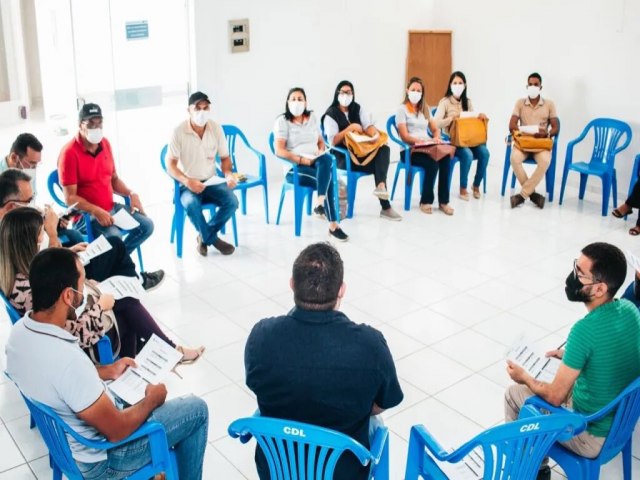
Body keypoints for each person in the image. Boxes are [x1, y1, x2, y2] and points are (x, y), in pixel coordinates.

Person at [5, 247, 209, 479]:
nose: (84, 293)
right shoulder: (68, 360)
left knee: (135, 390)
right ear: (68, 296)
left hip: (66, 445)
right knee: (196, 409)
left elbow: (59, 380)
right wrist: (152, 400)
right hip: (102, 463)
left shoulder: (19, 333)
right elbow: (117, 431)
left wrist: (107, 370)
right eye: (82, 284)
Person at [245, 242, 403, 479]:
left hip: (275, 468)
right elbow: (383, 403)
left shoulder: (261, 337)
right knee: (378, 424)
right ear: (342, 290)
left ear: (291, 284)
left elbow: (257, 386)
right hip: (343, 471)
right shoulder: (370, 345)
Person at [504, 242, 640, 480]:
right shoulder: (630, 310)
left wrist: (524, 376)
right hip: (620, 423)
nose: (572, 277)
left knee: (515, 395)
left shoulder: (584, 331)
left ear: (599, 289)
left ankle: (531, 471)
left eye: (580, 274)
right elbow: (611, 351)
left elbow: (555, 397)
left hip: (590, 433)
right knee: (552, 378)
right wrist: (570, 356)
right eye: (575, 266)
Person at [0, 207, 204, 362]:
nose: (44, 236)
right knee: (125, 307)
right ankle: (162, 354)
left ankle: (159, 354)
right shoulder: (30, 289)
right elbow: (72, 334)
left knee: (124, 302)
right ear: (29, 242)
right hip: (76, 347)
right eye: (41, 234)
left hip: (68, 334)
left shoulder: (16, 274)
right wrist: (100, 306)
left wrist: (87, 285)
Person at [0, 168, 162, 289]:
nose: (33, 206)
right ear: (11, 206)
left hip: (62, 268)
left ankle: (132, 285)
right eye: (29, 200)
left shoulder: (13, 225)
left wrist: (69, 250)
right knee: (116, 248)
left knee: (112, 245)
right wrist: (52, 233)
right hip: (63, 283)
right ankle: (134, 285)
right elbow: (46, 271)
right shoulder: (12, 235)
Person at [58, 103, 156, 256]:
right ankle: (118, 264)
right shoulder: (69, 153)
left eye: (99, 123)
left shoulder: (105, 144)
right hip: (86, 216)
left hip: (111, 208)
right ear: (80, 125)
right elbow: (70, 198)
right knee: (115, 236)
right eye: (91, 123)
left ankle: (115, 262)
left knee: (147, 226)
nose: (96, 128)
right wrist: (95, 210)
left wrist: (131, 193)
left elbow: (114, 179)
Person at [166, 91, 239, 256]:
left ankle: (204, 237)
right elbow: (170, 165)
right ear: (189, 110)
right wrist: (187, 181)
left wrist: (228, 174)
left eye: (205, 108)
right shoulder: (179, 131)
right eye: (197, 108)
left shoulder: (215, 128)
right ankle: (214, 239)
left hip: (211, 181)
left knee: (232, 202)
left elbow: (225, 158)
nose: (202, 112)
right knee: (192, 205)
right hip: (187, 185)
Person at [274, 87, 349, 241]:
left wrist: (321, 150)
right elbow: (279, 151)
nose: (296, 102)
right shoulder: (282, 121)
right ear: (287, 102)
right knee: (328, 179)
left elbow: (321, 142)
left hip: (315, 162)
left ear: (306, 102)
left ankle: (319, 203)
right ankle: (333, 225)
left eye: (300, 99)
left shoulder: (312, 118)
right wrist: (301, 160)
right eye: (293, 99)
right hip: (295, 167)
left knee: (327, 159)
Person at [322, 80, 402, 221]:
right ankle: (386, 206)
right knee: (379, 167)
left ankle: (381, 188)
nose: (346, 95)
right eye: (343, 92)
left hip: (361, 153)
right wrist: (350, 128)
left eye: (349, 92)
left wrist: (374, 135)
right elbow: (332, 141)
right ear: (337, 94)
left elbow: (368, 125)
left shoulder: (357, 108)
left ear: (353, 94)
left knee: (384, 149)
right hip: (343, 157)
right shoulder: (331, 114)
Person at [2, 133, 85, 246]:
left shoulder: (25, 172)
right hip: (18, 233)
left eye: (37, 164)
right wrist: (48, 230)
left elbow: (29, 203)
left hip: (33, 223)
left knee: (75, 236)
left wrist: (50, 218)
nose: (34, 168)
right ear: (14, 157)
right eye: (31, 163)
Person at [396, 76, 454, 215]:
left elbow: (435, 129)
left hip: (427, 147)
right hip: (410, 150)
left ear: (422, 93)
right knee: (432, 164)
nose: (415, 93)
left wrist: (436, 139)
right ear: (407, 91)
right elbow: (404, 136)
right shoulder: (402, 109)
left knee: (445, 159)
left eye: (419, 90)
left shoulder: (425, 108)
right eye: (413, 90)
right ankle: (426, 201)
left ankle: (443, 202)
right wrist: (418, 142)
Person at [433, 71, 490, 200]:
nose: (458, 85)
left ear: (464, 85)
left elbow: (471, 121)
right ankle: (463, 188)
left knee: (485, 153)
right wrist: (451, 119)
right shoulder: (445, 102)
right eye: (455, 83)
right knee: (468, 154)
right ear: (450, 85)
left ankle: (475, 185)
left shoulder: (467, 102)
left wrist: (479, 116)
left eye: (460, 83)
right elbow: (435, 123)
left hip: (469, 140)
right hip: (453, 141)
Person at [509, 72, 559, 210]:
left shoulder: (549, 104)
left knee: (545, 161)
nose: (533, 87)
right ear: (527, 86)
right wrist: (521, 131)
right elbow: (511, 125)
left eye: (536, 85)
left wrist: (547, 133)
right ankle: (533, 196)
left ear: (540, 87)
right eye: (530, 84)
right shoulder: (520, 103)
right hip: (523, 144)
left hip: (541, 144)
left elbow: (556, 126)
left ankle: (522, 195)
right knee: (514, 158)